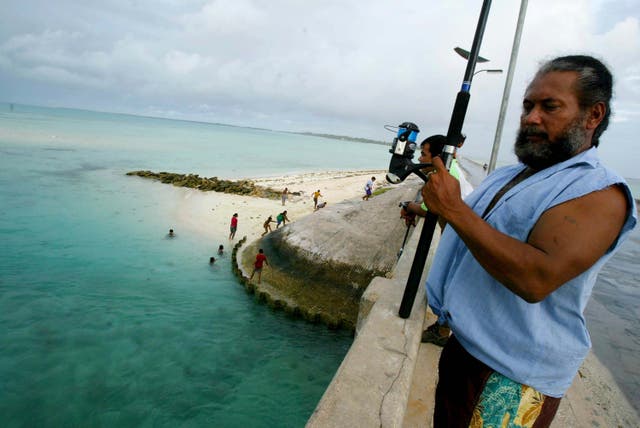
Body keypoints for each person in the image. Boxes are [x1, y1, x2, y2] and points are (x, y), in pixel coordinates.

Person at [421, 55, 636, 426]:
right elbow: (473, 231)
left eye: (549, 106)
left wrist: (454, 210)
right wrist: (434, 207)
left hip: (510, 375)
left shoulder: (600, 192)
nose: (531, 117)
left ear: (593, 115)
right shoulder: (511, 174)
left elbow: (536, 278)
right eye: (527, 106)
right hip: (466, 348)